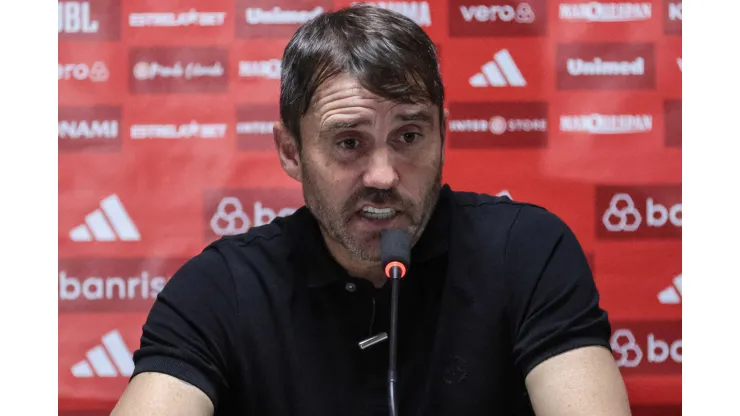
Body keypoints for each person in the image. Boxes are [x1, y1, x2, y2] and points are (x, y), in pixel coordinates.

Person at [111, 4, 632, 416]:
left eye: (408, 136)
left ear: (443, 136)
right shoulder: (223, 286)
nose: (383, 175)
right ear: (291, 152)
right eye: (348, 143)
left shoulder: (526, 250)